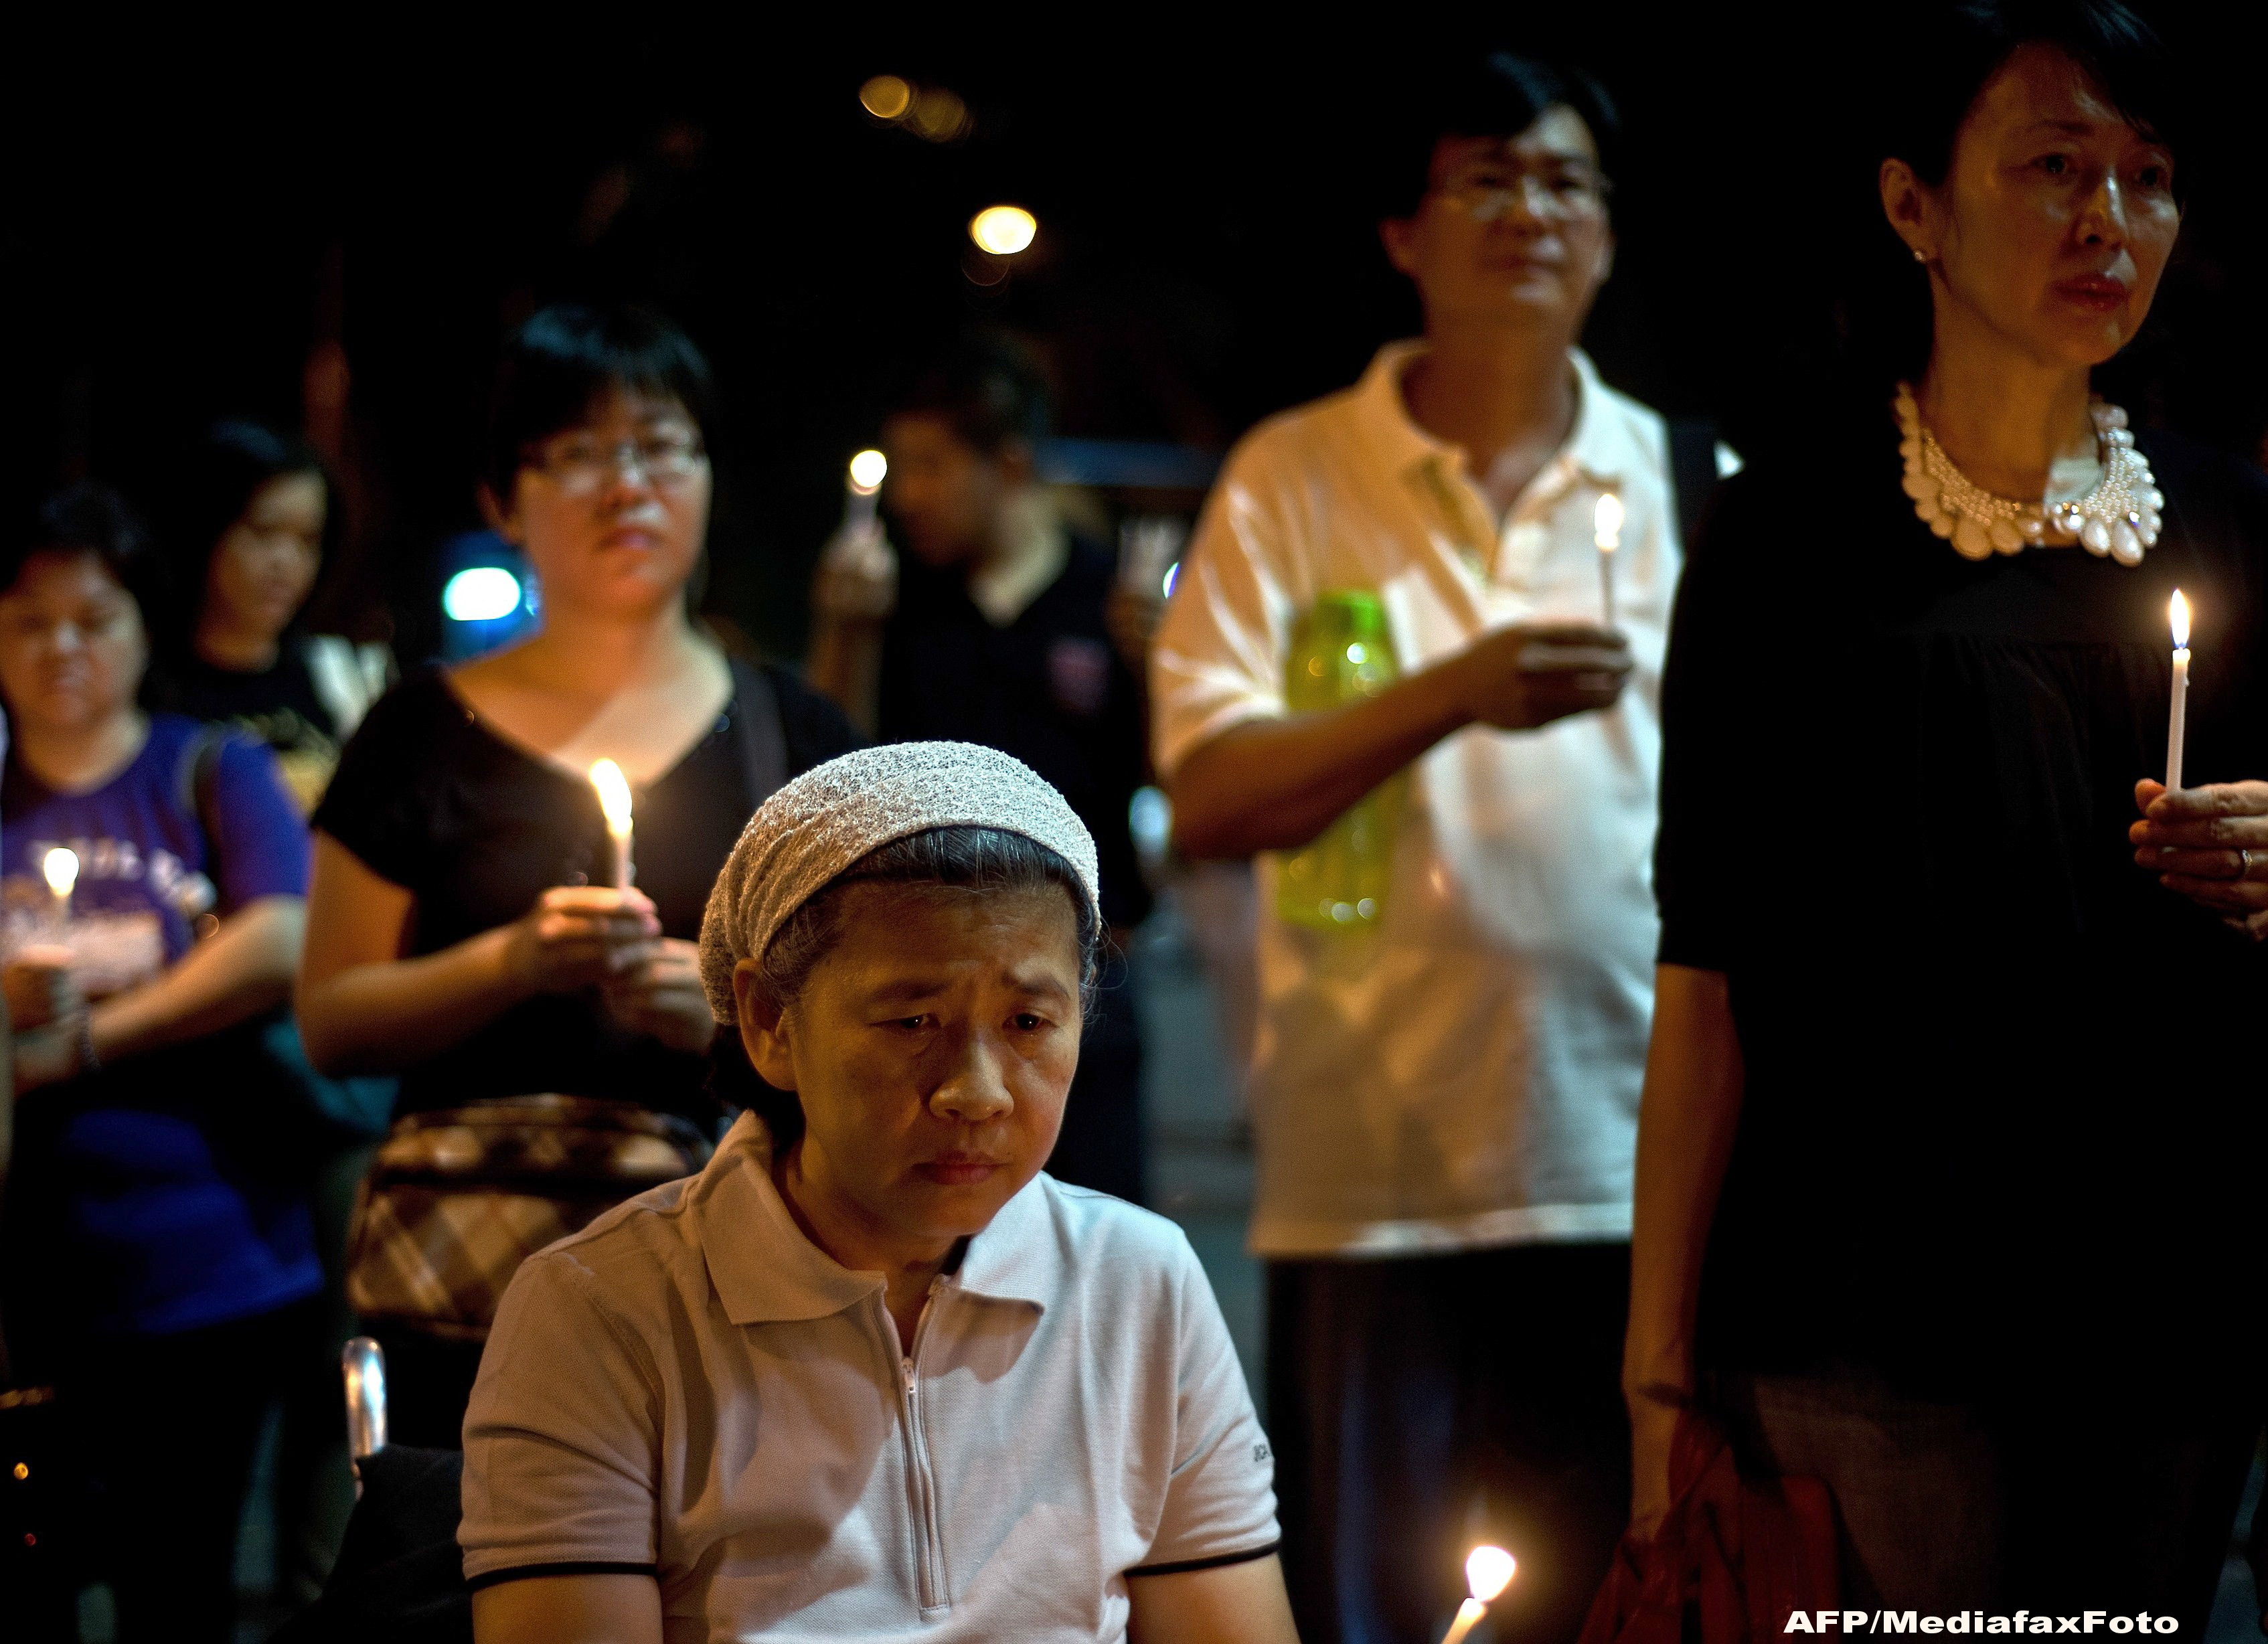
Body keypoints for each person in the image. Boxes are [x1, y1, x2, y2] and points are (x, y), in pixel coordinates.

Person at [1624, 4, 2265, 1629]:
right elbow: (1705, 972)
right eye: (2055, 166)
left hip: (2170, 1299)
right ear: (1915, 205)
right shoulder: (1791, 537)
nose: (2108, 219)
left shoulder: (2234, 522)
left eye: (2149, 176)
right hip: (1865, 1308)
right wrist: (1657, 1364)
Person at [1150, 51, 1686, 1644]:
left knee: (1609, 1593)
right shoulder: (1296, 477)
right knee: (1373, 1599)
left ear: (1606, 235)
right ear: (1402, 231)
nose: (1533, 211)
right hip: (1372, 1166)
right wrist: (1451, 690)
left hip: (1628, 1158)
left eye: (1567, 182)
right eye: (1488, 178)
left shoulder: (1682, 480)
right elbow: (1216, 794)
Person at [460, 742, 1294, 1643]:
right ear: (770, 1023)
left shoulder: (1138, 1282)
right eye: (913, 1021)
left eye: (1027, 1023)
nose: (976, 1090)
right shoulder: (604, 1314)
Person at [298, 303, 858, 1444]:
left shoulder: (792, 734)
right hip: (465, 1294)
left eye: (661, 446)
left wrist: (713, 1018)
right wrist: (511, 961)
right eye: (582, 454)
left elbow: (861, 1020)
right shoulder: (417, 733)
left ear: (706, 475)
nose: (629, 486)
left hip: (725, 1288)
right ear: (505, 496)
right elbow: (332, 1019)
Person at [0, 483, 319, 1643]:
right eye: (32, 623)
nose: (63, 649)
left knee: (177, 1596)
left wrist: (83, 1041)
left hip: (210, 1261)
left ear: (144, 628)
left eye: (94, 618)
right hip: (27, 1281)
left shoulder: (208, 771)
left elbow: (279, 939)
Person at [807, 338, 1153, 1205]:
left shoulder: (1107, 598)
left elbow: (1166, 780)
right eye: (900, 468)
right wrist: (845, 631)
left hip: (1084, 982)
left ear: (1009, 463)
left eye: (930, 466)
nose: (907, 496)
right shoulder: (898, 598)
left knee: (1091, 1248)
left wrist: (1157, 664)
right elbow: (831, 774)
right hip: (927, 986)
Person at [156, 418, 392, 813]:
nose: (286, 563)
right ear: (208, 531)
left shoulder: (345, 679)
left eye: (307, 540)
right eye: (263, 532)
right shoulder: (151, 685)